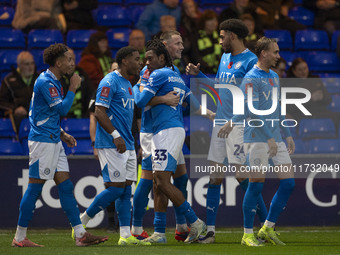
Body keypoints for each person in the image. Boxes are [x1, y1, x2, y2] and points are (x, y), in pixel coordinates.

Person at [11, 43, 108, 247]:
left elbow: (43, 113)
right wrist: (73, 87)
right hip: (43, 143)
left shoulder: (53, 81)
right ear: (58, 62)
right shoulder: (46, 82)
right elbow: (63, 109)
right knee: (34, 189)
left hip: (53, 139)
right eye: (69, 59)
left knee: (65, 186)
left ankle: (80, 235)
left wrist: (62, 133)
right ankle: (19, 238)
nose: (72, 63)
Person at [186, 19, 266, 244]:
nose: (219, 41)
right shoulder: (225, 58)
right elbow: (220, 87)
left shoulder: (251, 61)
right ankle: (210, 232)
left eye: (222, 37)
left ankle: (265, 226)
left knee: (242, 177)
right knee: (214, 177)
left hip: (238, 126)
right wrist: (198, 76)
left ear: (232, 35)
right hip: (220, 125)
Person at [221, 37, 295, 246]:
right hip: (256, 138)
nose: (278, 56)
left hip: (275, 137)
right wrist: (270, 138)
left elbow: (277, 106)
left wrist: (287, 133)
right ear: (264, 53)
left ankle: (267, 228)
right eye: (275, 52)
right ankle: (247, 234)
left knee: (289, 183)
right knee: (255, 186)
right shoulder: (251, 79)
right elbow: (252, 111)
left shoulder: (273, 76)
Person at [74, 46, 151, 246]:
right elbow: (99, 111)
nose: (139, 62)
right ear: (125, 61)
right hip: (111, 143)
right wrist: (116, 135)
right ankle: (82, 221)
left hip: (128, 144)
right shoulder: (109, 81)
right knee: (116, 189)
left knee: (126, 190)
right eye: (136, 59)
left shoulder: (128, 83)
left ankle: (125, 236)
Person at [134, 39, 206, 244]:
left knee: (162, 181)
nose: (146, 62)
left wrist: (139, 85)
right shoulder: (176, 76)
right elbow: (191, 104)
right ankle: (159, 233)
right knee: (158, 182)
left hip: (165, 132)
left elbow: (139, 102)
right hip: (166, 131)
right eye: (145, 58)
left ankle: (194, 221)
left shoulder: (157, 74)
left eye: (150, 58)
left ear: (161, 58)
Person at [286, 57, 336, 123]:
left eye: (305, 68)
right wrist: (311, 99)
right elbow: (291, 107)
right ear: (294, 71)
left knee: (336, 116)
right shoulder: (290, 84)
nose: (303, 72)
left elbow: (328, 99)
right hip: (303, 116)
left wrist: (322, 96)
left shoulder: (316, 79)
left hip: (321, 112)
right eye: (300, 70)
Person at [0, 51, 39, 131]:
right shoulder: (8, 81)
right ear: (19, 65)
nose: (31, 67)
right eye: (27, 64)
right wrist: (15, 109)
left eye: (32, 63)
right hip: (20, 116)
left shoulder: (40, 78)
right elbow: (1, 102)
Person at [60, 48, 93, 118]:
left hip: (83, 118)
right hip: (61, 119)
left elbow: (91, 97)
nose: (72, 64)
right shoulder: (56, 77)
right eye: (69, 60)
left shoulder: (82, 74)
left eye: (73, 60)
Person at [191, 10, 222, 74]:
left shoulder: (220, 36)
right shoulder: (196, 36)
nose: (213, 23)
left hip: (218, 71)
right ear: (204, 22)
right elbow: (195, 55)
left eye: (215, 20)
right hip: (202, 72)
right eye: (210, 20)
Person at [179, 0, 201, 66]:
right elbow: (183, 34)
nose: (189, 10)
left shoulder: (201, 17)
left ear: (195, 7)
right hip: (191, 46)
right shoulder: (183, 21)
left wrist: (195, 19)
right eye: (186, 8)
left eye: (191, 7)